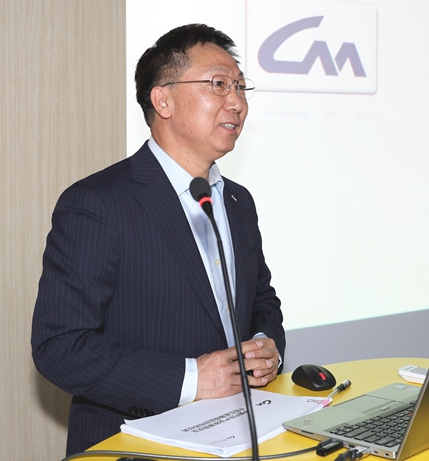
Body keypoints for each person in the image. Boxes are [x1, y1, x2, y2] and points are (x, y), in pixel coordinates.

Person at [31, 24, 285, 454]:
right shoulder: (96, 203)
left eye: (241, 87)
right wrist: (192, 380)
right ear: (162, 100)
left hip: (239, 435)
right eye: (219, 84)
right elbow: (61, 346)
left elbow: (261, 298)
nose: (237, 102)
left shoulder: (237, 200)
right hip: (135, 441)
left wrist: (267, 346)